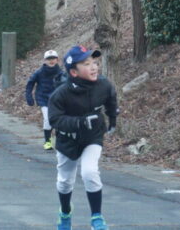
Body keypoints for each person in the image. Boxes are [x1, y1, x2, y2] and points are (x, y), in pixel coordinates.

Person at [48, 45, 119, 230]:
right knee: (64, 182)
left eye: (94, 62)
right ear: (73, 72)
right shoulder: (60, 94)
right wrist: (80, 122)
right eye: (86, 64)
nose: (94, 66)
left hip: (92, 137)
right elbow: (55, 120)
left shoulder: (103, 85)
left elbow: (111, 99)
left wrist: (112, 118)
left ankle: (97, 217)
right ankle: (65, 212)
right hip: (67, 141)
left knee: (89, 172)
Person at [25, 50, 65, 150]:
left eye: (53, 59)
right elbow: (30, 83)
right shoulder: (39, 72)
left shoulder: (61, 73)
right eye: (49, 59)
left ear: (57, 60)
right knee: (48, 119)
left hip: (57, 100)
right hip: (43, 99)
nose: (51, 61)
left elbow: (67, 86)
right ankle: (47, 141)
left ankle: (59, 141)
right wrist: (29, 97)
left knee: (58, 120)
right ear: (44, 60)